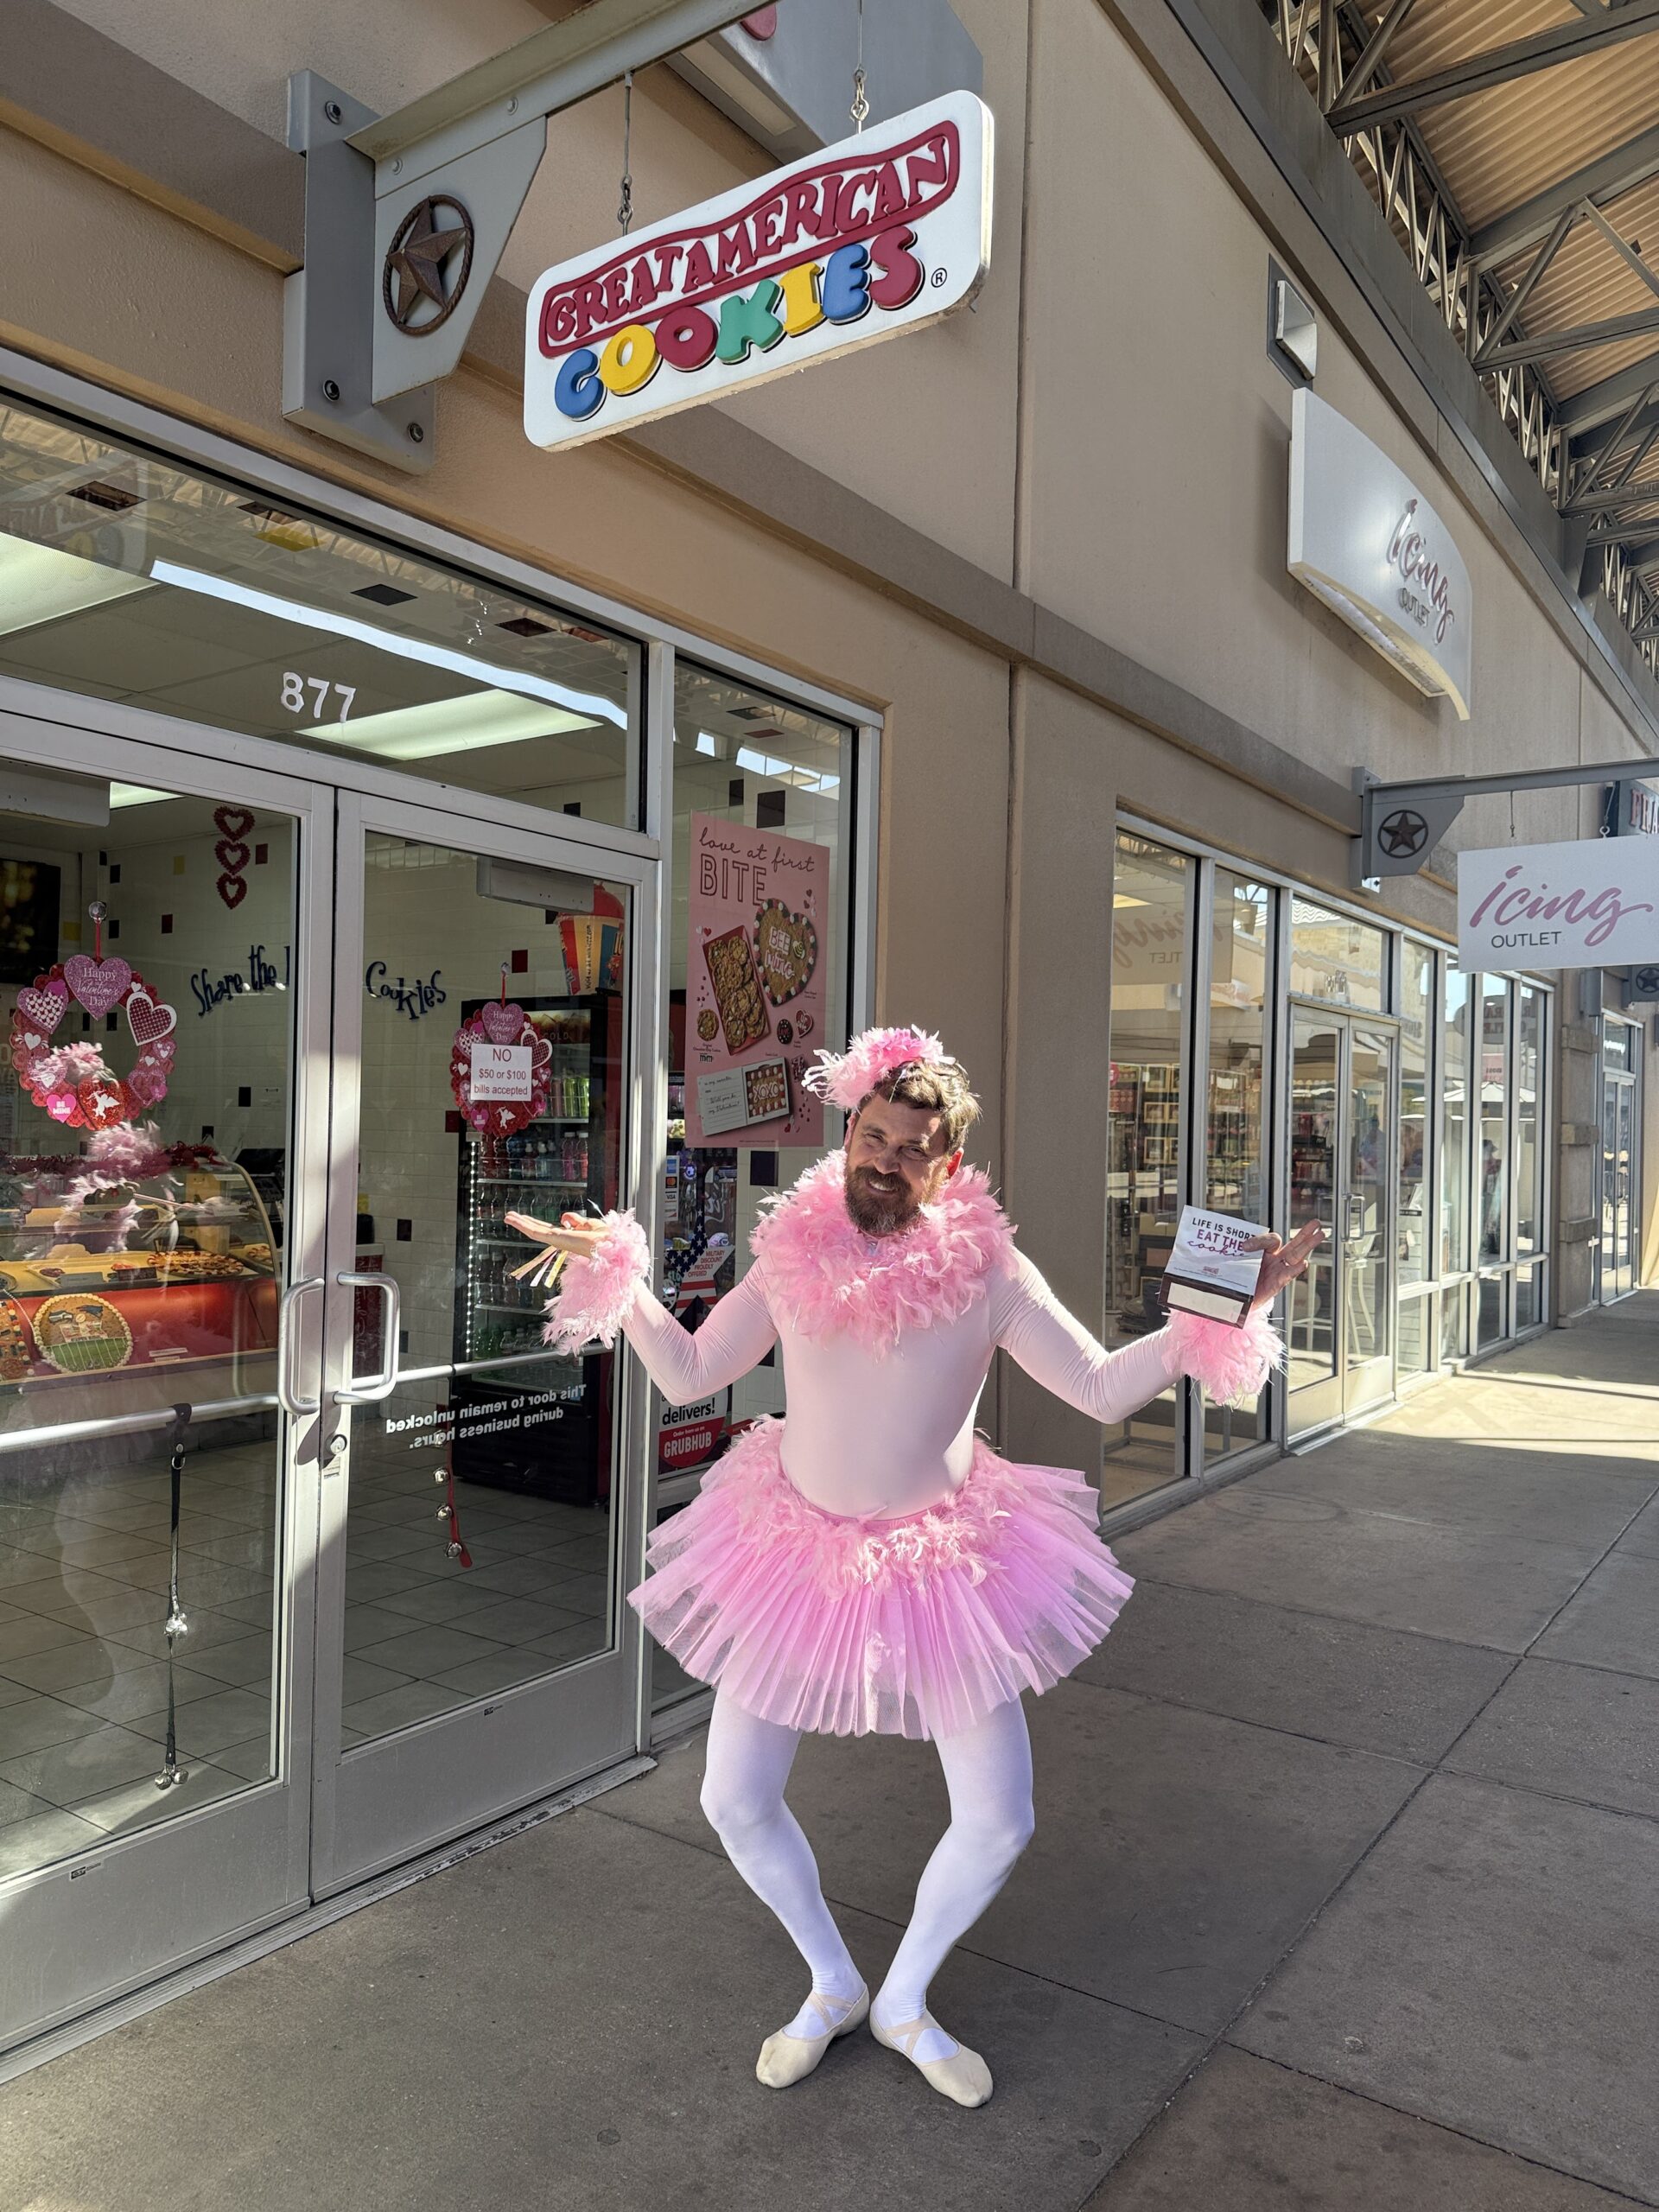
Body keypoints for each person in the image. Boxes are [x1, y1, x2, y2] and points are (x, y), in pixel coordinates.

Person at [512, 1027, 1319, 2109]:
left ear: (949, 1165)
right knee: (735, 1799)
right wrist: (619, 1279)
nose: (885, 1160)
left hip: (946, 1564)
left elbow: (1098, 1388)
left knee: (1000, 1818)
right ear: (848, 1132)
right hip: (794, 1553)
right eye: (873, 1136)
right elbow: (694, 1373)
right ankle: (834, 1982)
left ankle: (904, 2000)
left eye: (912, 1148)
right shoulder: (789, 1249)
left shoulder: (989, 1268)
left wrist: (1222, 1312)